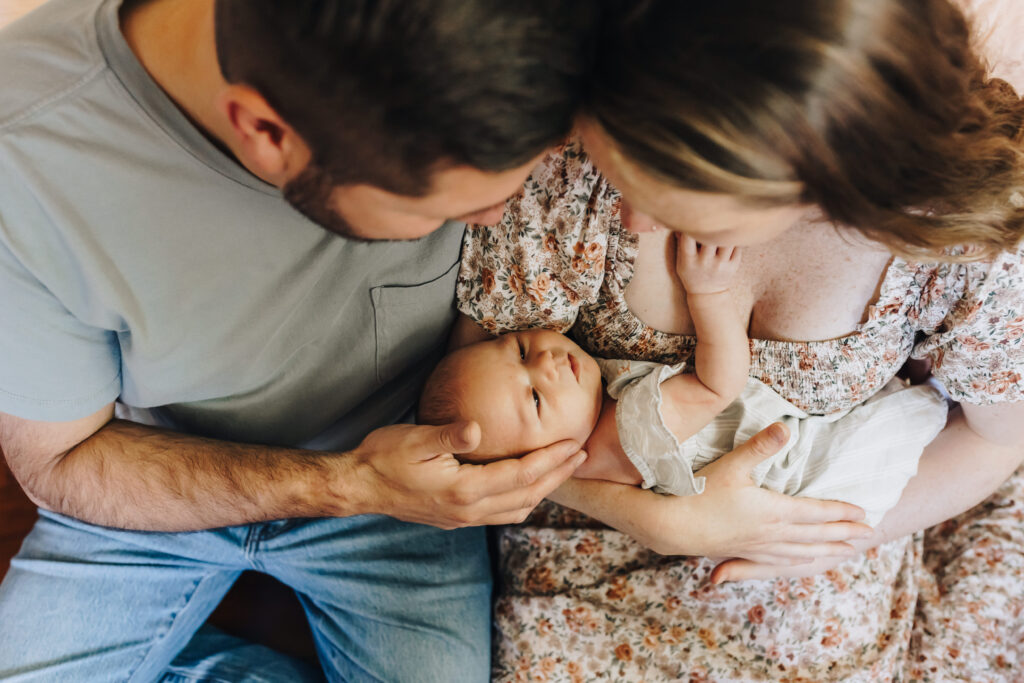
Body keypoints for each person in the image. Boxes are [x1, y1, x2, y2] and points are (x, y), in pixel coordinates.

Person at [0, 0, 604, 680]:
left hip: (409, 483)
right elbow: (60, 461)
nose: (496, 219)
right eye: (444, 211)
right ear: (264, 131)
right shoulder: (22, 151)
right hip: (156, 477)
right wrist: (347, 484)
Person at [456, 0, 1024, 679]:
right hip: (585, 539)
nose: (631, 215)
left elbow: (997, 436)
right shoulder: (584, 152)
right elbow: (472, 409)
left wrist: (836, 534)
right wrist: (652, 516)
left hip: (815, 544)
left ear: (812, 188)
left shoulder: (959, 247)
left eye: (670, 197)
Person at [424, 238, 947, 526]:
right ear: (538, 460)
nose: (544, 362)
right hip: (809, 470)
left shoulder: (591, 418)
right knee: (913, 410)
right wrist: (708, 297)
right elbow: (719, 384)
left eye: (518, 350)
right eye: (536, 399)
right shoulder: (626, 433)